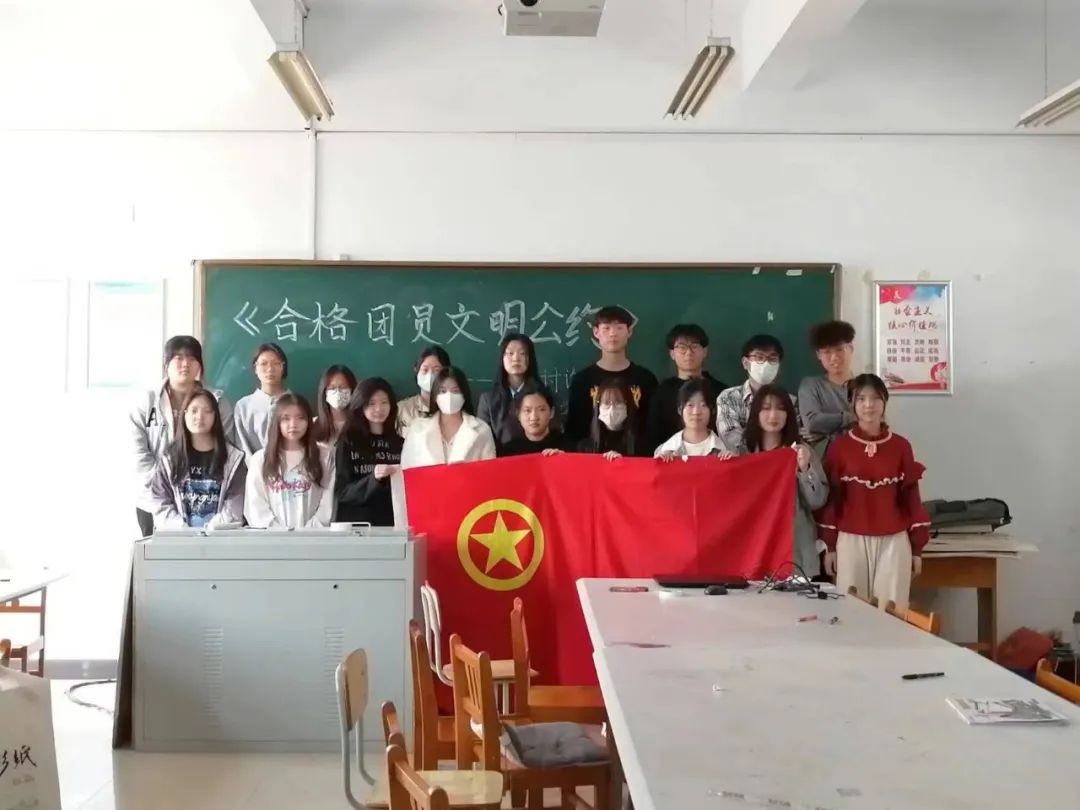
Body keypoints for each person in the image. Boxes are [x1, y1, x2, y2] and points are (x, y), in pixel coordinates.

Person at [815, 374, 930, 610]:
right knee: (851, 612)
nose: (869, 405)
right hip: (850, 539)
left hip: (894, 540)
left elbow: (911, 498)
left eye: (876, 398)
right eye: (861, 399)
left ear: (885, 402)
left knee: (892, 611)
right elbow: (832, 500)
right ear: (852, 404)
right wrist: (830, 546)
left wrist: (917, 548)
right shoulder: (840, 447)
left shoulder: (900, 446)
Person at [130, 335, 236, 537]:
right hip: (154, 498)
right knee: (157, 553)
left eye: (192, 358)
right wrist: (164, 487)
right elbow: (138, 452)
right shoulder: (147, 402)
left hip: (205, 498)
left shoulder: (218, 402)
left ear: (200, 365)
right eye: (178, 358)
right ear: (166, 363)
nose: (185, 364)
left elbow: (227, 448)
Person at [742, 385, 828, 577]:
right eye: (766, 408)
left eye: (780, 408)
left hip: (795, 551)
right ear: (756, 413)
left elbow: (818, 501)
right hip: (755, 548)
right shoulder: (744, 453)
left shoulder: (801, 451)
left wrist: (805, 469)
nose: (773, 415)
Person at [149, 389, 247, 529]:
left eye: (206, 411)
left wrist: (210, 531)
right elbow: (159, 501)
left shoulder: (233, 459)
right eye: (194, 411)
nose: (200, 417)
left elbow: (235, 504)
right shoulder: (170, 459)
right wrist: (183, 530)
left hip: (219, 537)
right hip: (178, 537)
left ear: (215, 416)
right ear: (185, 414)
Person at [565, 306, 658, 445]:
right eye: (606, 328)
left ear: (629, 331)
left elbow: (653, 428)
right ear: (596, 332)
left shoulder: (645, 379)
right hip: (591, 454)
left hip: (636, 454)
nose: (613, 333)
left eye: (619, 327)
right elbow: (574, 430)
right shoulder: (582, 380)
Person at [245, 393, 335, 528]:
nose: (293, 424)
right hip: (271, 536)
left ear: (309, 421)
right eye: (286, 419)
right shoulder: (260, 459)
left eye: (300, 418)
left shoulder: (324, 455)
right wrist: (278, 532)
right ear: (277, 422)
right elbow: (255, 504)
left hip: (315, 535)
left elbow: (327, 503)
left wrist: (309, 531)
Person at [334, 378, 403, 526]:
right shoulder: (348, 442)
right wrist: (373, 478)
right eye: (371, 403)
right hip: (358, 526)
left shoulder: (400, 443)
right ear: (361, 405)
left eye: (384, 402)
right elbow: (342, 492)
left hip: (393, 524)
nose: (379, 409)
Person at [647, 325, 726, 450]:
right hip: (671, 458)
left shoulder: (721, 391)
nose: (688, 353)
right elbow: (653, 434)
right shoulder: (662, 392)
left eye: (694, 346)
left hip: (712, 457)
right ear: (672, 353)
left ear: (705, 352)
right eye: (682, 347)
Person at [400, 367, 497, 467]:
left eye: (455, 391)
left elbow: (489, 471)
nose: (449, 396)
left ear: (464, 395)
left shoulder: (482, 429)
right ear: (435, 396)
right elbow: (407, 468)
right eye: (442, 391)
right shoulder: (417, 429)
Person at [715, 334, 787, 453]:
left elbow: (795, 438)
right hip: (745, 462)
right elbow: (731, 437)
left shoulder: (789, 401)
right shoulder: (728, 398)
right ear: (745, 363)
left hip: (780, 462)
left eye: (772, 358)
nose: (766, 363)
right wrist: (765, 452)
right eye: (759, 358)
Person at [799, 320, 857, 453]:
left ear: (851, 348)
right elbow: (813, 423)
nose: (834, 357)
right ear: (818, 355)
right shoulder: (811, 386)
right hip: (824, 461)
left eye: (839, 349)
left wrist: (825, 434)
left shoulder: (866, 386)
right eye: (827, 351)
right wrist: (851, 418)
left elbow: (873, 427)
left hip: (859, 458)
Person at [477, 333, 540, 447]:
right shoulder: (488, 400)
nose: (516, 358)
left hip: (537, 455)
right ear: (502, 358)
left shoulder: (542, 395)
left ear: (530, 358)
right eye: (510, 353)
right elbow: (483, 442)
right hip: (500, 457)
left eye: (522, 353)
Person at [234, 342, 289, 458]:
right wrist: (256, 466)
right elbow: (242, 447)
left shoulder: (295, 403)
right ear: (255, 368)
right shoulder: (243, 406)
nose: (270, 369)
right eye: (264, 364)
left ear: (283, 367)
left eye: (276, 363)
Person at [654, 379, 732, 460]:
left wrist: (732, 461)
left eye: (703, 405)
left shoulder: (725, 449)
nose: (696, 412)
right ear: (680, 410)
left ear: (712, 410)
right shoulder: (664, 450)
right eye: (690, 405)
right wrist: (660, 463)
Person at [576, 379, 642, 460]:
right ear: (598, 406)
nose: (612, 408)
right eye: (606, 402)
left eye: (618, 402)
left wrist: (623, 462)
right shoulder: (585, 447)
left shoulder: (640, 444)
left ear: (628, 405)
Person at [500, 383, 568, 456]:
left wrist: (565, 458)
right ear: (518, 414)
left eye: (541, 409)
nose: (534, 417)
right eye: (527, 410)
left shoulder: (566, 445)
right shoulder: (510, 450)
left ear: (552, 412)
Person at [397, 346, 451, 434]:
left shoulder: (454, 407)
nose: (430, 375)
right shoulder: (402, 409)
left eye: (436, 370)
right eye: (425, 370)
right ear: (416, 371)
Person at [312, 364, 359, 447]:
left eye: (343, 387)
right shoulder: (313, 425)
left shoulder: (361, 425)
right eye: (332, 388)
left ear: (352, 390)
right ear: (324, 392)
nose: (338, 392)